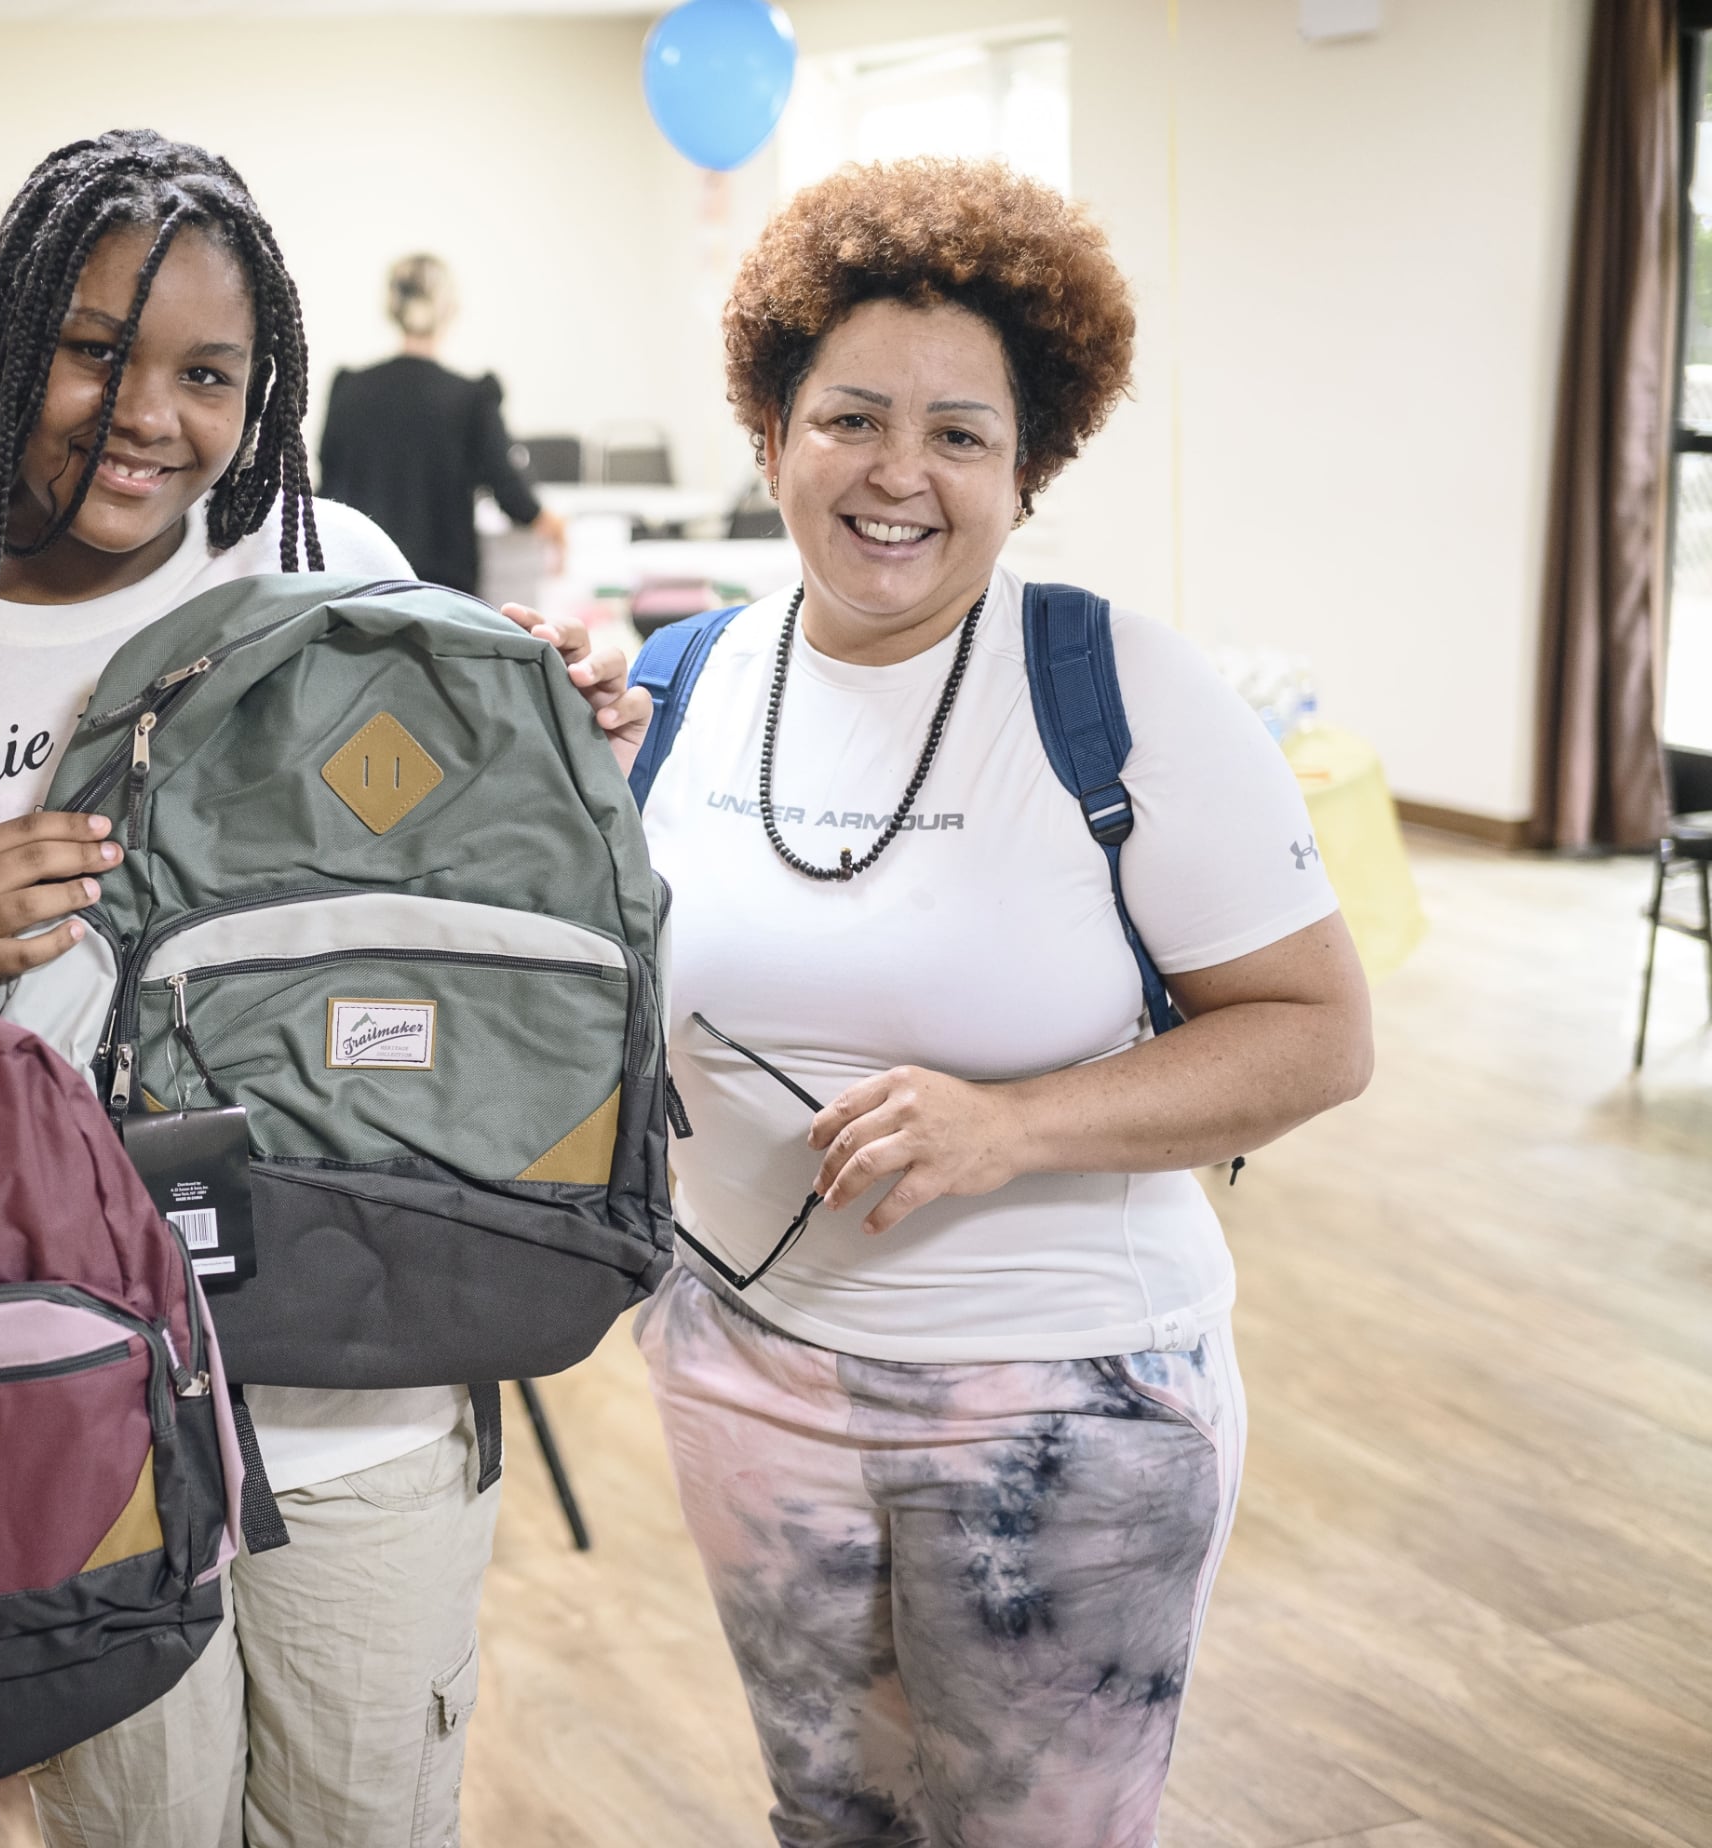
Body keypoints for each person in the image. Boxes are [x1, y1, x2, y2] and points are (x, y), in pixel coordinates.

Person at [0, 129, 635, 1848]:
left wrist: (580, 722)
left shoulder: (338, 565)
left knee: (361, 1813)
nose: (142, 412)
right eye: (94, 348)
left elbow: (468, 936)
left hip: (360, 1385)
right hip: (55, 1398)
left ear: (267, 387)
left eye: (207, 372)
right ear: (7, 334)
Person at [627, 158, 1374, 1847]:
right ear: (773, 430)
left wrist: (1014, 1124)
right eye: (852, 417)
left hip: (1071, 1399)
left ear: (1027, 469)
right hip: (747, 1377)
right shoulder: (682, 683)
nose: (900, 474)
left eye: (961, 433)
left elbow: (1321, 1029)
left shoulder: (1117, 689)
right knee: (829, 1815)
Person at [316, 253, 565, 596]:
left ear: (392, 308)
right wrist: (551, 524)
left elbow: (328, 487)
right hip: (440, 594)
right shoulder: (471, 397)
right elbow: (508, 488)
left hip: (354, 585)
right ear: (449, 309)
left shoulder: (348, 389)